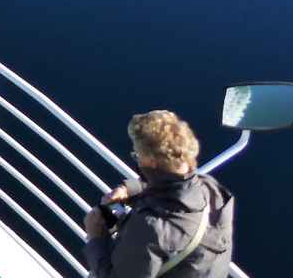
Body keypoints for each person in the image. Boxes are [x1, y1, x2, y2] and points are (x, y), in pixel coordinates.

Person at [83, 110, 234, 278]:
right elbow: (178, 188)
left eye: (137, 155)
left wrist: (96, 237)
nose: (137, 159)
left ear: (151, 162)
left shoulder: (151, 229)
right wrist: (130, 190)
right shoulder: (212, 189)